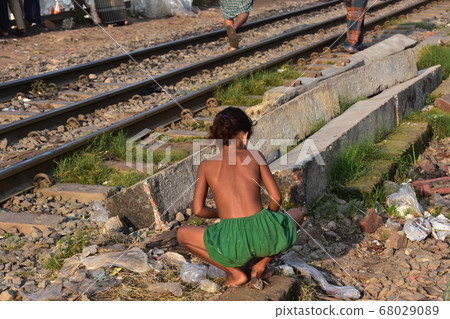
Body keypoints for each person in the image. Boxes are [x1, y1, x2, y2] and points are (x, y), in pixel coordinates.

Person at [177, 107, 304, 287]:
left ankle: (234, 273)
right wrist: (268, 219)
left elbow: (198, 210)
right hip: (264, 236)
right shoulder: (255, 156)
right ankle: (261, 264)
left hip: (231, 244)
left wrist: (221, 213)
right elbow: (276, 198)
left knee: (182, 234)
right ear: (244, 135)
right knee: (296, 213)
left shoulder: (206, 165)